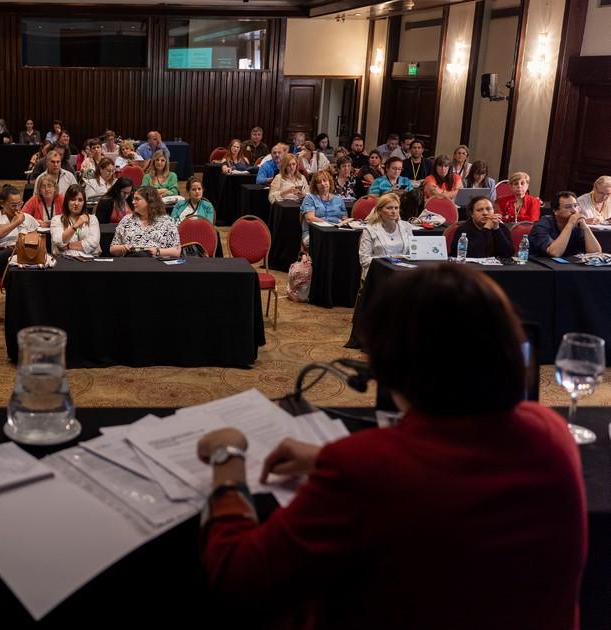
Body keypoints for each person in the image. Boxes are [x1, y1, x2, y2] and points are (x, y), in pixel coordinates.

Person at [196, 263, 586, 630]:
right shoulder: (550, 434)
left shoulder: (365, 468)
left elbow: (239, 575)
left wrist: (227, 459)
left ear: (389, 366)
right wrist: (325, 459)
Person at [0, 184, 40, 278]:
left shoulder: (28, 218)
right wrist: (16, 222)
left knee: (15, 271)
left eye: (20, 204)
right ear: (2, 203)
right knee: (16, 255)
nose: (17, 208)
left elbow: (35, 241)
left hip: (22, 258)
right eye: (13, 205)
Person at [110, 186, 180, 257]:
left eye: (137, 199)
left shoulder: (167, 221)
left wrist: (157, 251)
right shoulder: (127, 220)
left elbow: (176, 251)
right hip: (131, 262)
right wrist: (123, 248)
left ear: (150, 201)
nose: (133, 202)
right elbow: (112, 249)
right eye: (133, 199)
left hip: (157, 263)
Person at [529, 191, 602, 257]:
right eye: (568, 207)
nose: (574, 210)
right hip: (539, 267)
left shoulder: (578, 225)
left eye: (575, 206)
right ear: (555, 211)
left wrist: (585, 227)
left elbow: (595, 253)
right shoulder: (542, 225)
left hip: (569, 267)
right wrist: (570, 225)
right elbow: (554, 253)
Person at [358, 193, 414, 278]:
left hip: (403, 274)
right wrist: (388, 261)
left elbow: (413, 253)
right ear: (379, 210)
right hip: (378, 275)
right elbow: (364, 260)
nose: (394, 211)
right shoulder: (370, 230)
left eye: (396, 208)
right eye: (389, 208)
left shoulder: (406, 227)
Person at [50, 184, 100, 256]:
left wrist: (68, 246)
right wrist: (76, 226)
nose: (76, 203)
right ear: (67, 201)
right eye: (73, 199)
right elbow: (59, 242)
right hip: (65, 260)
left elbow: (93, 243)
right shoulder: (57, 220)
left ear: (84, 203)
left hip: (88, 260)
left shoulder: (92, 219)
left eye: (80, 200)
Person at [300, 170, 347, 244]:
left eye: (325, 181)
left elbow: (344, 218)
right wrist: (331, 223)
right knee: (326, 242)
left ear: (329, 182)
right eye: (319, 182)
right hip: (314, 232)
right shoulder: (310, 198)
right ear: (315, 185)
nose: (322, 184)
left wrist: (345, 221)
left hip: (336, 231)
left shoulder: (338, 199)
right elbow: (309, 218)